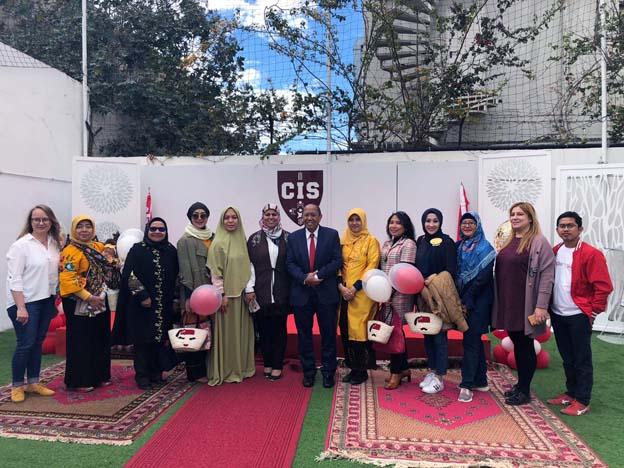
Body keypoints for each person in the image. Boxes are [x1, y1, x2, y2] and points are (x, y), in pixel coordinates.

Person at [547, 211, 613, 415]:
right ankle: (571, 393)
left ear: (580, 229)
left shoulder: (591, 254)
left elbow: (603, 286)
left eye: (570, 225)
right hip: (558, 313)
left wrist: (593, 312)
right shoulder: (555, 251)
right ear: (557, 229)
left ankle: (582, 400)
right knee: (567, 357)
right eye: (562, 226)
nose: (566, 229)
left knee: (581, 359)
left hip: (578, 314)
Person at [492, 202, 555, 405]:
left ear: (530, 218)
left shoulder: (538, 242)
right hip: (508, 301)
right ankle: (520, 385)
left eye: (520, 214)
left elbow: (547, 275)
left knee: (524, 345)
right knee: (517, 342)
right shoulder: (509, 239)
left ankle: (525, 391)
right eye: (512, 214)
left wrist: (541, 306)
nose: (515, 217)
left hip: (525, 303)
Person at [6, 205, 62, 403]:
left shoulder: (54, 244)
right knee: (26, 343)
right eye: (36, 219)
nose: (40, 223)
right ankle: (16, 386)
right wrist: (21, 307)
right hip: (25, 302)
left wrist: (54, 300)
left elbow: (54, 275)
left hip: (46, 300)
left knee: (37, 342)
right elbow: (14, 278)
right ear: (30, 222)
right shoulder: (21, 245)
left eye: (45, 219)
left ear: (51, 222)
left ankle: (33, 382)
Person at [59, 215, 121, 392]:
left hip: (99, 298)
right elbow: (68, 279)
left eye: (88, 226)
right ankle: (80, 380)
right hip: (78, 300)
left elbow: (109, 253)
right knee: (82, 340)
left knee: (100, 337)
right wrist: (88, 297)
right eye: (80, 227)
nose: (84, 230)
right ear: (74, 230)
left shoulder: (97, 247)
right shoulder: (70, 252)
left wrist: (112, 253)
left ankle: (100, 375)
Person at [116, 217, 179, 390]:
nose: (157, 232)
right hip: (142, 305)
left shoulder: (170, 250)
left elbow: (176, 275)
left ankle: (156, 372)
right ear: (147, 231)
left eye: (161, 229)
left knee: (159, 340)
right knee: (143, 340)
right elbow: (129, 275)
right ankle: (142, 376)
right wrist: (142, 295)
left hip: (163, 304)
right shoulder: (137, 250)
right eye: (153, 229)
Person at [286, 204, 342, 388]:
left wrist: (318, 276)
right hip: (301, 294)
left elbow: (337, 260)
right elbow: (290, 263)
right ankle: (308, 372)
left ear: (320, 216)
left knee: (328, 335)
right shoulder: (293, 237)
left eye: (313, 214)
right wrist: (305, 278)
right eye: (306, 215)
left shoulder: (331, 235)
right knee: (304, 337)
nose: (309, 218)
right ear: (302, 217)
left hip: (326, 293)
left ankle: (328, 372)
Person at [206, 207, 255, 385]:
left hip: (241, 297)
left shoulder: (242, 240)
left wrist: (249, 289)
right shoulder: (218, 242)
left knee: (241, 335)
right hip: (226, 299)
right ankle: (225, 370)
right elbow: (215, 273)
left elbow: (248, 266)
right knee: (227, 336)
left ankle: (241, 368)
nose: (231, 221)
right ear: (222, 221)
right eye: (226, 218)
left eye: (234, 217)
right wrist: (221, 295)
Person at [245, 204, 290, 381]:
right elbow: (249, 265)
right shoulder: (254, 239)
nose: (271, 217)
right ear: (263, 217)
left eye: (274, 214)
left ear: (279, 217)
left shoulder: (288, 238)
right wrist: (249, 288)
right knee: (263, 330)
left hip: (281, 290)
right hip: (260, 291)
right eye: (267, 214)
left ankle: (277, 365)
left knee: (279, 329)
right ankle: (268, 363)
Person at [455, 211, 496, 403]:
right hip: (463, 299)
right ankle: (481, 380)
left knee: (471, 340)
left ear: (477, 225)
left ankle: (467, 385)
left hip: (479, 301)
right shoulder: (459, 247)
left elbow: (482, 279)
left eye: (471, 223)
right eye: (464, 223)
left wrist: (467, 300)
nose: (467, 226)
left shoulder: (486, 248)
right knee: (473, 340)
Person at [415, 208, 457, 394]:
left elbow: (451, 270)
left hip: (438, 295)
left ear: (440, 222)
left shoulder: (447, 242)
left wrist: (434, 278)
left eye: (435, 221)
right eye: (428, 221)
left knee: (439, 336)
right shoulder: (421, 241)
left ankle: (440, 377)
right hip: (422, 295)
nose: (431, 224)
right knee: (427, 334)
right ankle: (432, 372)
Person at [338, 208, 380, 385]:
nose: (354, 223)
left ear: (363, 221)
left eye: (358, 220)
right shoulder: (343, 241)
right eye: (351, 220)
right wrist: (341, 287)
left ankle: (362, 370)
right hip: (344, 294)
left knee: (360, 332)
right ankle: (352, 368)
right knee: (346, 330)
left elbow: (372, 265)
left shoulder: (371, 241)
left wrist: (355, 288)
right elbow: (338, 265)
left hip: (362, 294)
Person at [177, 202, 214, 383]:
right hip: (194, 293)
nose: (199, 218)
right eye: (195, 215)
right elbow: (184, 272)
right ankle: (195, 373)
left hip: (212, 293)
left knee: (207, 332)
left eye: (203, 215)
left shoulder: (213, 237)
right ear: (190, 218)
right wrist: (189, 298)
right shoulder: (185, 240)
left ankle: (209, 368)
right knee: (194, 332)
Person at [380, 211, 417, 390]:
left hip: (400, 294)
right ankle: (403, 369)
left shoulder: (408, 244)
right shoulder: (387, 243)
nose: (393, 226)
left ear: (405, 226)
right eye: (391, 222)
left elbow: (404, 273)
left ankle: (396, 372)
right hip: (386, 294)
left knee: (395, 333)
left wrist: (389, 294)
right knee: (396, 332)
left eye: (398, 223)